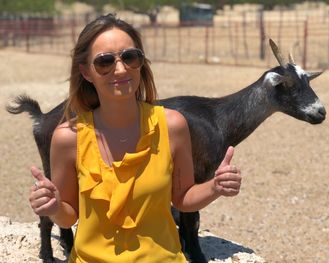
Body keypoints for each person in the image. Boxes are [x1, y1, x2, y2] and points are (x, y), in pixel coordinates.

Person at [28, 13, 242, 262]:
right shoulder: (68, 138)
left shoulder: (172, 125)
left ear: (141, 62)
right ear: (86, 72)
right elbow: (69, 216)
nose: (120, 69)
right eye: (105, 62)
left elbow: (183, 199)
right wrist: (53, 207)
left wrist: (215, 187)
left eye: (130, 57)